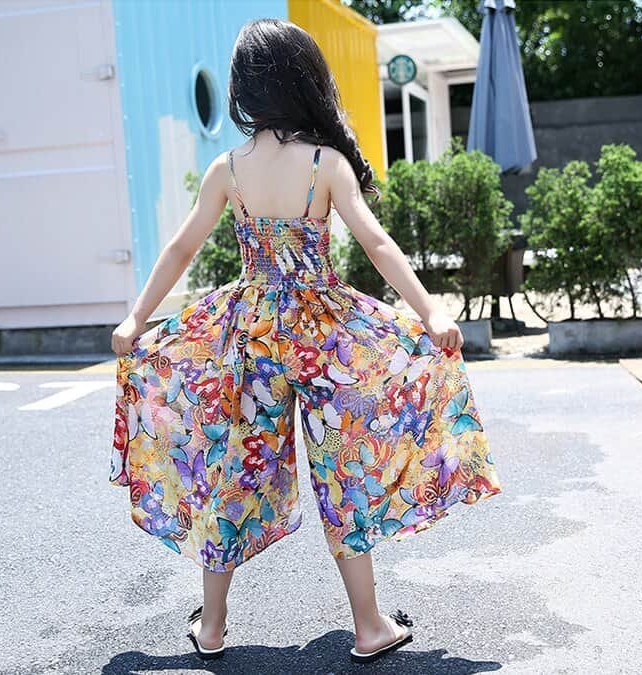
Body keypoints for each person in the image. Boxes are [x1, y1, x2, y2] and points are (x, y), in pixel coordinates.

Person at [110, 18, 502, 664]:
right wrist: (429, 311)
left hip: (252, 337)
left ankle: (212, 626)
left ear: (244, 89)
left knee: (235, 473)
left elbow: (181, 248)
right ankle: (370, 626)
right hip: (324, 336)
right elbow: (376, 243)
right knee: (342, 471)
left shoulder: (228, 169)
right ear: (305, 82)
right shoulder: (325, 163)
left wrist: (135, 319)